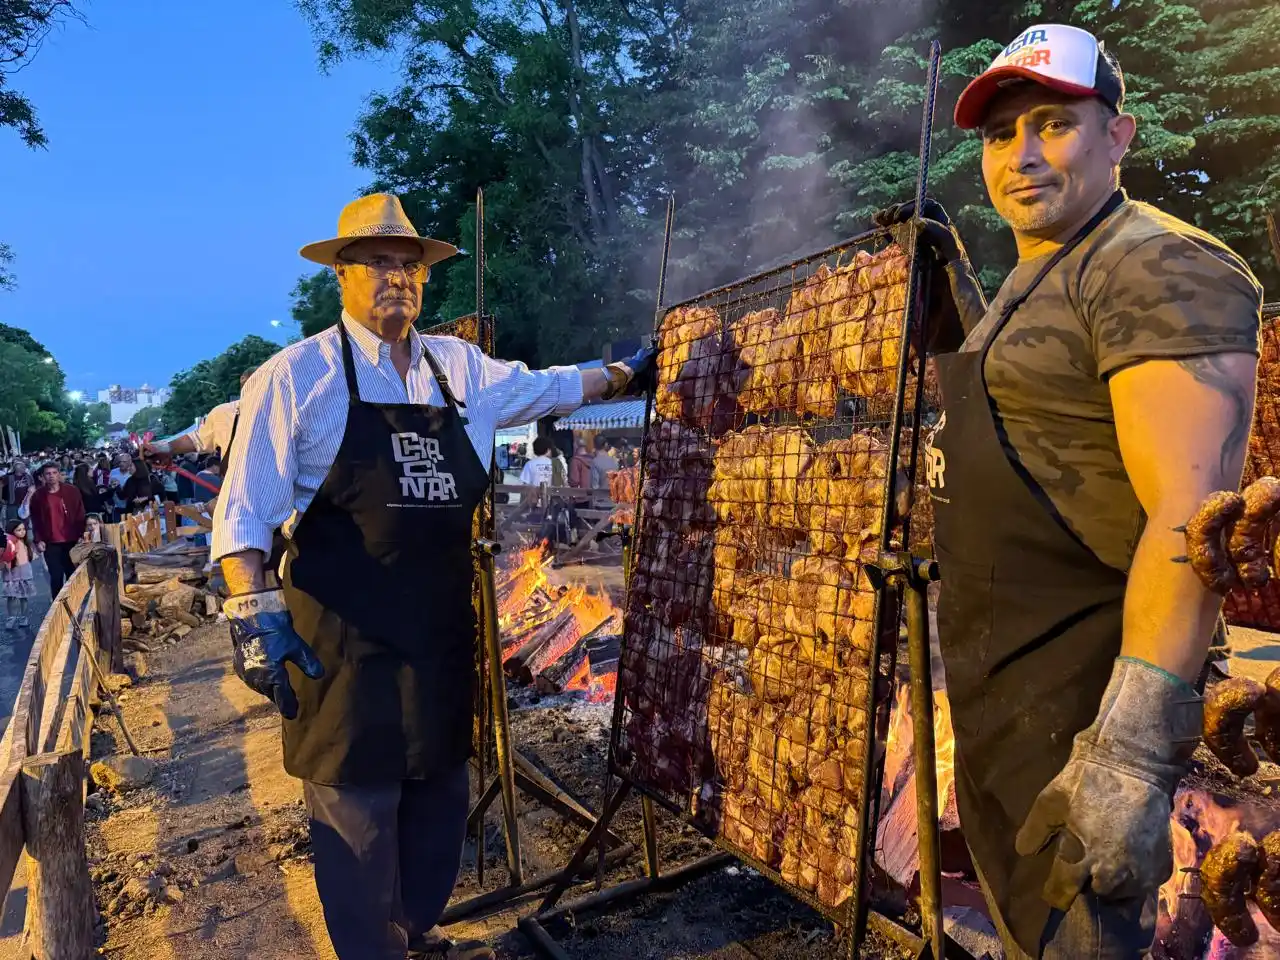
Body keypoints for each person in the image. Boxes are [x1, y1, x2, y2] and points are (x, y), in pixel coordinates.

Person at [876, 24, 1264, 959]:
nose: (1021, 155)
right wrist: (952, 284)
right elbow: (1033, 404)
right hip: (1004, 698)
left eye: (1053, 124)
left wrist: (1127, 761)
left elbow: (1190, 520)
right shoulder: (1043, 267)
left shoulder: (1157, 265)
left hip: (1083, 709)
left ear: (1117, 136)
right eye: (999, 134)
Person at [211, 192, 653, 960]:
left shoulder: (460, 369)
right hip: (341, 651)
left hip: (437, 640)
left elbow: (548, 385)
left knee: (440, 804)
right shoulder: (295, 377)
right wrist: (254, 614)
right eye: (379, 262)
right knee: (359, 823)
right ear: (342, 274)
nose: (398, 278)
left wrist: (621, 373)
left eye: (409, 265)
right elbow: (244, 511)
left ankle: (414, 933)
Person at [29, 462, 87, 595]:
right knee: (56, 576)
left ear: (59, 474)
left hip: (71, 540)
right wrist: (38, 539)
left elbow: (80, 513)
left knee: (72, 575)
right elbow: (36, 519)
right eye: (48, 474)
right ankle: (58, 605)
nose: (51, 476)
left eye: (54, 473)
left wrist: (81, 534)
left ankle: (74, 603)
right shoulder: (38, 496)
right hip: (51, 542)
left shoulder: (71, 491)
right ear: (43, 476)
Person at [2, 519, 36, 631]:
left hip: (24, 574)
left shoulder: (25, 543)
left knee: (23, 597)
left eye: (23, 529)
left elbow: (30, 557)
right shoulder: (9, 543)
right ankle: (11, 617)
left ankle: (24, 617)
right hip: (11, 575)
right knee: (11, 598)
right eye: (19, 530)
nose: (22, 532)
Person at [2, 459, 32, 527]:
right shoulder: (8, 477)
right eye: (23, 467)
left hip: (25, 504)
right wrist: (1, 498)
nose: (25, 468)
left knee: (25, 523)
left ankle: (24, 533)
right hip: (12, 504)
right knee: (12, 523)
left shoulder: (28, 476)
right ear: (17, 468)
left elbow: (33, 486)